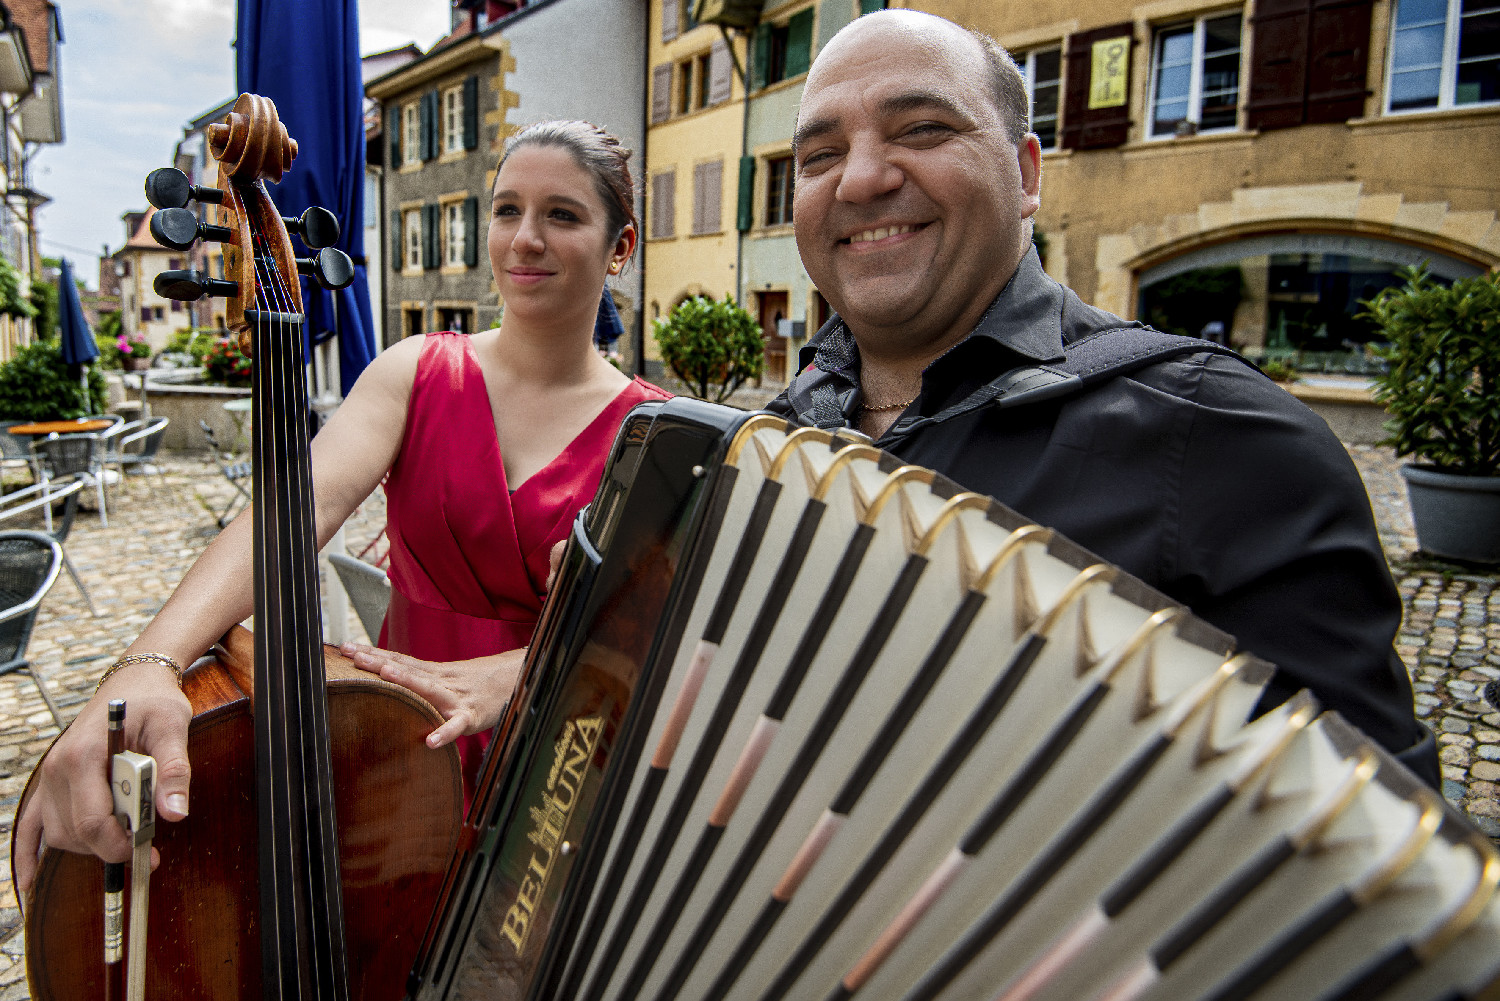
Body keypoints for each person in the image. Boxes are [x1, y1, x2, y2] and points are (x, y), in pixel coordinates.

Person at [766, 10, 1437, 784]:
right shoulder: (773, 444)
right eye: (821, 156)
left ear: (1026, 175)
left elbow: (1370, 864)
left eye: (920, 130)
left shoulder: (1227, 441)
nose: (859, 178)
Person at [15, 119, 669, 891]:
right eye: (505, 209)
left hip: (561, 767)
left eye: (561, 214)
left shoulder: (656, 433)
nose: (524, 238)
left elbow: (660, 638)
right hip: (405, 749)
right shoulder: (416, 371)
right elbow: (291, 514)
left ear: (620, 247)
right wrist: (147, 663)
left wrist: (530, 671)